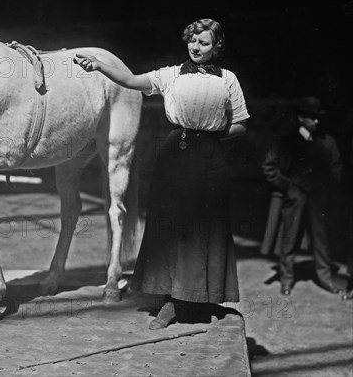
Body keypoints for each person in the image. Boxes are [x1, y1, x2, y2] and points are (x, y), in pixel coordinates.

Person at [75, 18, 249, 329]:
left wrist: (214, 132)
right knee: (170, 229)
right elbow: (130, 80)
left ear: (216, 46)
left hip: (210, 156)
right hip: (175, 154)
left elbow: (241, 124)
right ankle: (170, 302)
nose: (196, 47)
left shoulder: (228, 80)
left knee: (205, 229)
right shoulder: (170, 75)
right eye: (192, 41)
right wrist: (100, 65)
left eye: (204, 43)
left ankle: (201, 301)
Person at [262, 97, 343, 296]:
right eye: (311, 118)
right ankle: (286, 280)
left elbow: (337, 168)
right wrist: (288, 187)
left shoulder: (327, 142)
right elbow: (268, 167)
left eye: (317, 118)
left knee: (321, 239)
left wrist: (326, 188)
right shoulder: (285, 142)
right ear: (301, 118)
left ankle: (325, 278)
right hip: (295, 197)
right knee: (289, 239)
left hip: (318, 198)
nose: (315, 122)